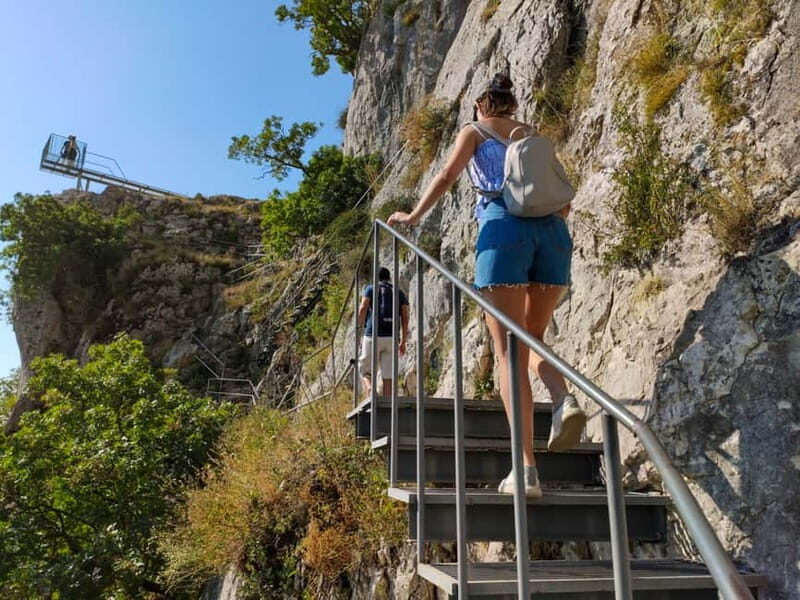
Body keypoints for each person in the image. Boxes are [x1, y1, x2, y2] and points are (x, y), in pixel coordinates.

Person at [387, 73, 587, 498]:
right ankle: (563, 398)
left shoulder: (475, 131)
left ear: (480, 105)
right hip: (553, 234)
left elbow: (447, 175)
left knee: (509, 352)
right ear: (511, 104)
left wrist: (413, 216)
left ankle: (526, 469)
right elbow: (563, 198)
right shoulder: (532, 136)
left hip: (503, 230)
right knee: (532, 337)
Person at [357, 266, 410, 399]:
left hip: (372, 335)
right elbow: (405, 317)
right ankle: (387, 405)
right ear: (389, 277)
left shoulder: (371, 288)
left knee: (365, 370)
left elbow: (363, 308)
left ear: (376, 278)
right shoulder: (398, 292)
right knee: (388, 375)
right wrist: (403, 341)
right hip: (391, 338)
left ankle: (370, 390)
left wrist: (359, 328)